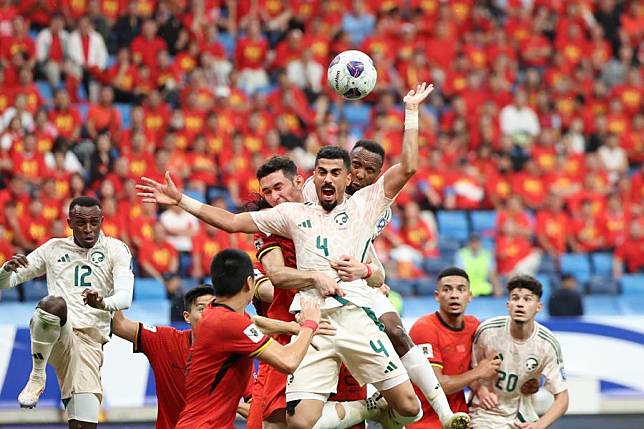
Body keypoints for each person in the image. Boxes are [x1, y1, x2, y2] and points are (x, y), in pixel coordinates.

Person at [138, 83, 435, 429]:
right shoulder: (281, 221)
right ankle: (369, 408)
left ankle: (415, 410)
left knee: (406, 406)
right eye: (267, 192)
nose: (274, 197)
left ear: (300, 182)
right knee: (290, 423)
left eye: (279, 188)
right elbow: (240, 232)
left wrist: (369, 273)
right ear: (313, 176)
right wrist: (182, 201)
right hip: (297, 331)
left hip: (349, 317)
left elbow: (404, 179)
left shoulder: (356, 206)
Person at [0, 196, 134, 428]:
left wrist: (102, 303)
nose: (88, 229)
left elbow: (125, 297)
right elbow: (5, 283)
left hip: (90, 342)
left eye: (94, 222)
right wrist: (4, 270)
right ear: (69, 223)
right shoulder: (53, 248)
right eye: (81, 223)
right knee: (53, 304)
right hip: (57, 335)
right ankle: (37, 375)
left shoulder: (116, 249)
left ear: (102, 221)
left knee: (82, 425)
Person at [174, 249, 323, 428]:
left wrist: (292, 328)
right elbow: (288, 361)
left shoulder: (214, 313)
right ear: (249, 282)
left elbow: (254, 322)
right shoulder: (230, 323)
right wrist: (310, 325)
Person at [407, 267, 502, 429]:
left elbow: (479, 369)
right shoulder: (424, 328)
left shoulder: (475, 326)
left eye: (461, 289)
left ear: (470, 296)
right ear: (437, 296)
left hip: (461, 419)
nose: (454, 295)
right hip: (423, 421)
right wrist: (479, 371)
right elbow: (438, 385)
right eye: (447, 289)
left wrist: (480, 389)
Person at [470, 275, 569, 429]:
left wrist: (539, 425)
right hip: (486, 412)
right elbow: (470, 370)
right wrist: (481, 390)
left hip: (523, 414)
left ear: (538, 307)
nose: (520, 304)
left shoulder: (547, 343)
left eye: (527, 299)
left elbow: (562, 399)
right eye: (515, 298)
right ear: (508, 304)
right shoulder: (487, 331)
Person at [111, 285, 216, 428]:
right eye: (201, 308)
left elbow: (254, 405)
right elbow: (120, 325)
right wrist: (115, 279)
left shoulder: (234, 352)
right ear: (187, 317)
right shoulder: (166, 341)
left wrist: (229, 403)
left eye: (214, 308)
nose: (208, 313)